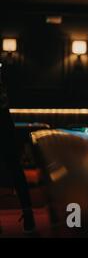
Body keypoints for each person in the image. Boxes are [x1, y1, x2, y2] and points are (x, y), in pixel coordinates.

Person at [0, 63, 35, 233]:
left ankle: (29, 216)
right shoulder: (4, 72)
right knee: (15, 168)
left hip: (4, 123)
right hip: (5, 123)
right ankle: (29, 216)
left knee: (15, 168)